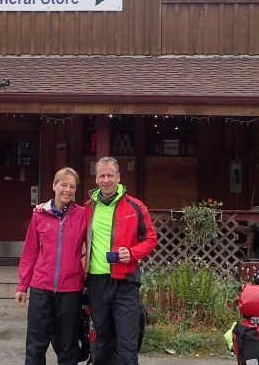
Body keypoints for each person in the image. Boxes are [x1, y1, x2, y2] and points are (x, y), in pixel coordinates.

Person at [84, 156, 158, 365]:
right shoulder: (88, 208)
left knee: (127, 343)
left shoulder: (135, 206)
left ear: (118, 177)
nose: (106, 180)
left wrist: (132, 253)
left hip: (125, 282)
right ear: (96, 179)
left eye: (110, 175)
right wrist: (44, 206)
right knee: (103, 342)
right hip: (97, 282)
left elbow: (151, 239)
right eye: (102, 176)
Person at [16, 167, 87, 365]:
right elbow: (30, 253)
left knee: (68, 346)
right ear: (54, 185)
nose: (67, 190)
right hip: (41, 287)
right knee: (36, 345)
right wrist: (23, 285)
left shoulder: (83, 214)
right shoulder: (40, 215)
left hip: (71, 289)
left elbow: (91, 248)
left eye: (72, 186)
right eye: (63, 185)